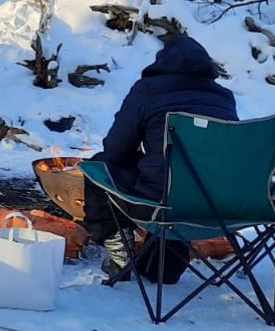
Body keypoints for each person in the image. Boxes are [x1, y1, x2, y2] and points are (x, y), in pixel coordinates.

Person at [82, 35, 238, 279]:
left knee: (98, 166)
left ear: (161, 64)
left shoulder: (148, 91)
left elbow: (115, 150)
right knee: (182, 180)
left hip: (163, 200)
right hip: (219, 204)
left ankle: (119, 250)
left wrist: (144, 155)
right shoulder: (223, 97)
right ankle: (159, 265)